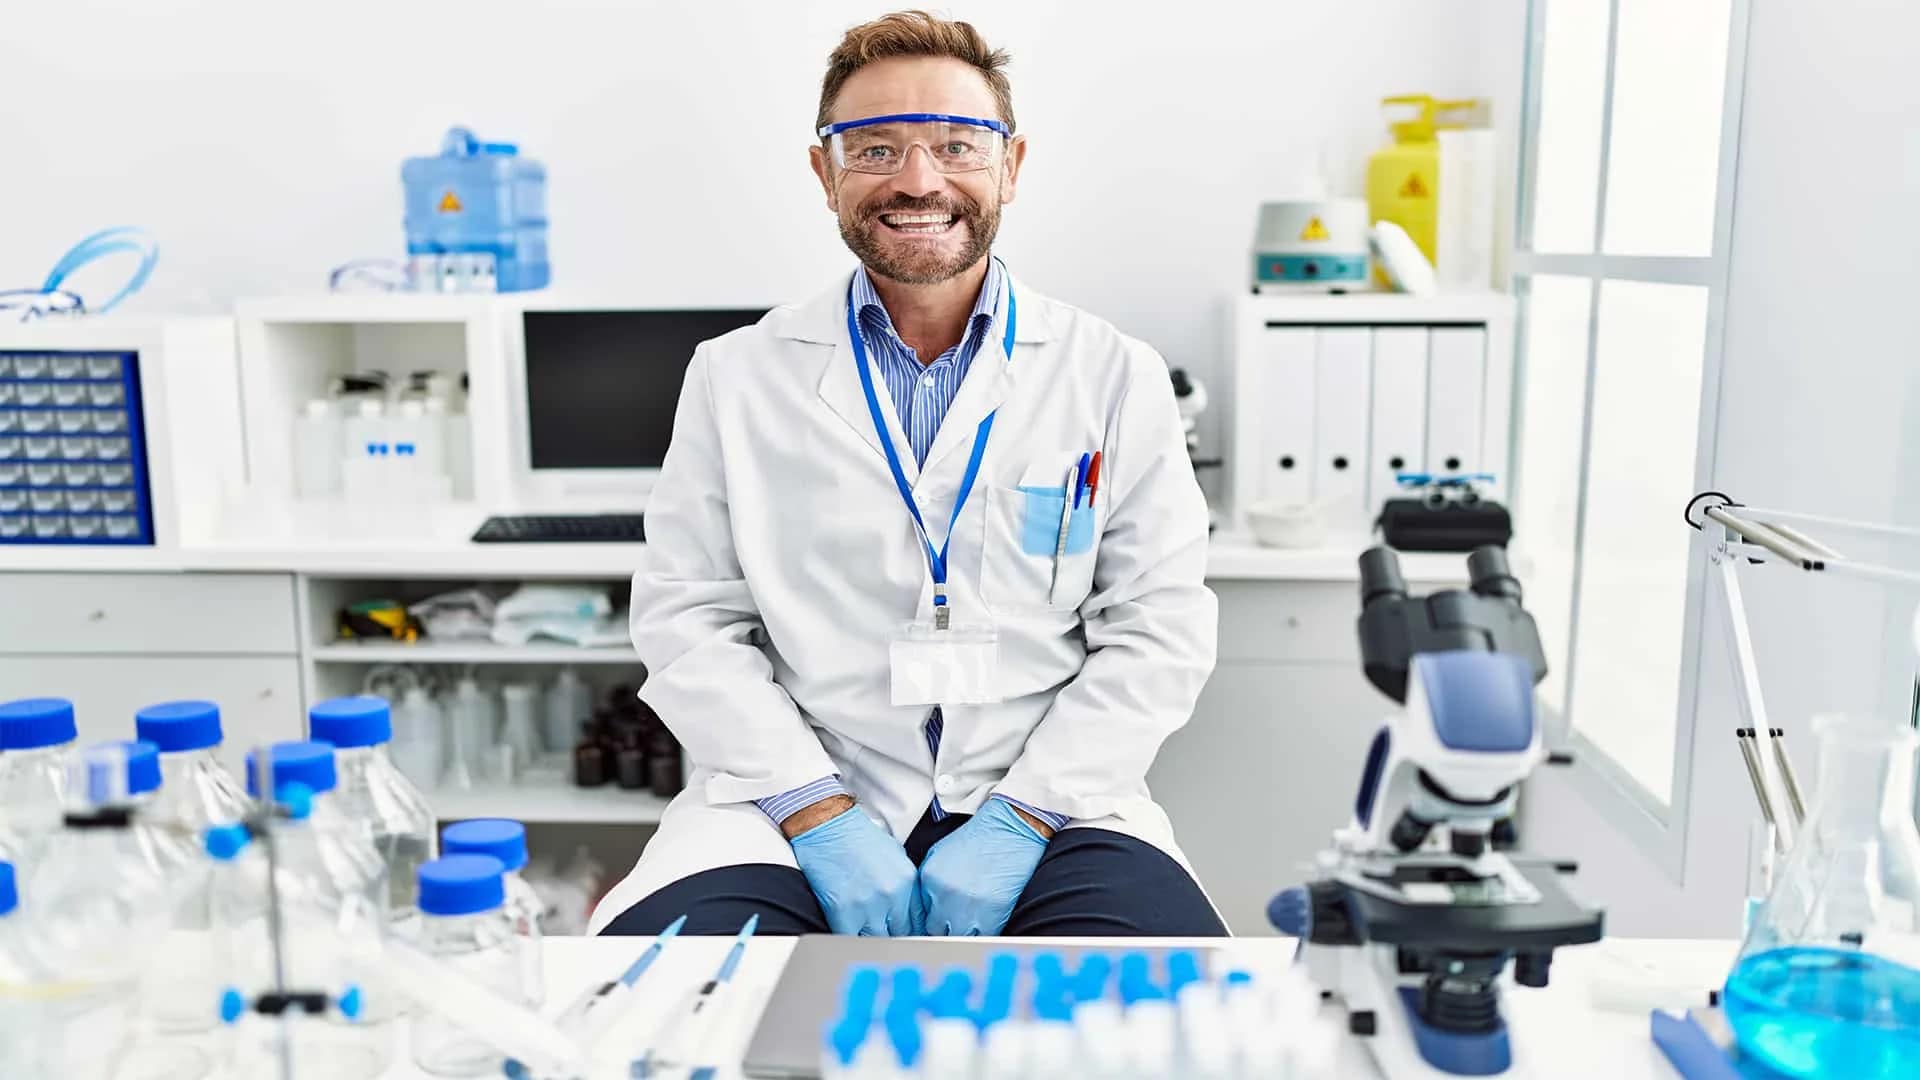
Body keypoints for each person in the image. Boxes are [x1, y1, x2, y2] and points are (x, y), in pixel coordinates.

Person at [591, 10, 1224, 938]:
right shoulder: (736, 375)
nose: (919, 180)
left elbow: (1160, 631)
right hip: (797, 801)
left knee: (1160, 1024)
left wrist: (1021, 816)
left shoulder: (1112, 372)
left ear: (1010, 166)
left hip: (1050, 803)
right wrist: (818, 814)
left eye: (957, 146)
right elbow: (688, 622)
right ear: (825, 173)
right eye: (876, 148)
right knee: (665, 1011)